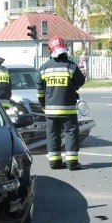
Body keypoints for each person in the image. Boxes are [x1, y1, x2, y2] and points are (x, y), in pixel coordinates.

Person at [36, 35, 86, 171]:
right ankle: (72, 163)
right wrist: (72, 87)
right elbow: (80, 81)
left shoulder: (43, 68)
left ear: (50, 49)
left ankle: (55, 162)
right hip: (68, 109)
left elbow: (40, 91)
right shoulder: (71, 66)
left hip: (50, 110)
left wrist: (43, 104)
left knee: (53, 135)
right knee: (70, 133)